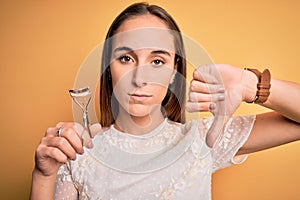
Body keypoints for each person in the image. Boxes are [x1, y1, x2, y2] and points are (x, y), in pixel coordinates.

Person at [30, 2, 300, 200]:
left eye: (157, 61)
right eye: (126, 58)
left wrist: (249, 84)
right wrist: (43, 176)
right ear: (108, 69)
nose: (139, 78)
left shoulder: (202, 140)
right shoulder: (77, 150)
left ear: (174, 73)